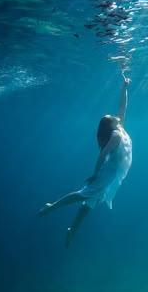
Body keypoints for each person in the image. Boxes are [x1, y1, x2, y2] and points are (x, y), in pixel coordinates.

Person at [37, 77, 132, 247]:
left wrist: (124, 86)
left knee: (91, 201)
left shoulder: (120, 127)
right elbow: (102, 156)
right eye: (112, 117)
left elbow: (122, 107)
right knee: (84, 194)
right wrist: (95, 174)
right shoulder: (116, 135)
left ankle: (72, 229)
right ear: (109, 124)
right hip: (108, 173)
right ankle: (52, 206)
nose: (115, 116)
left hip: (113, 173)